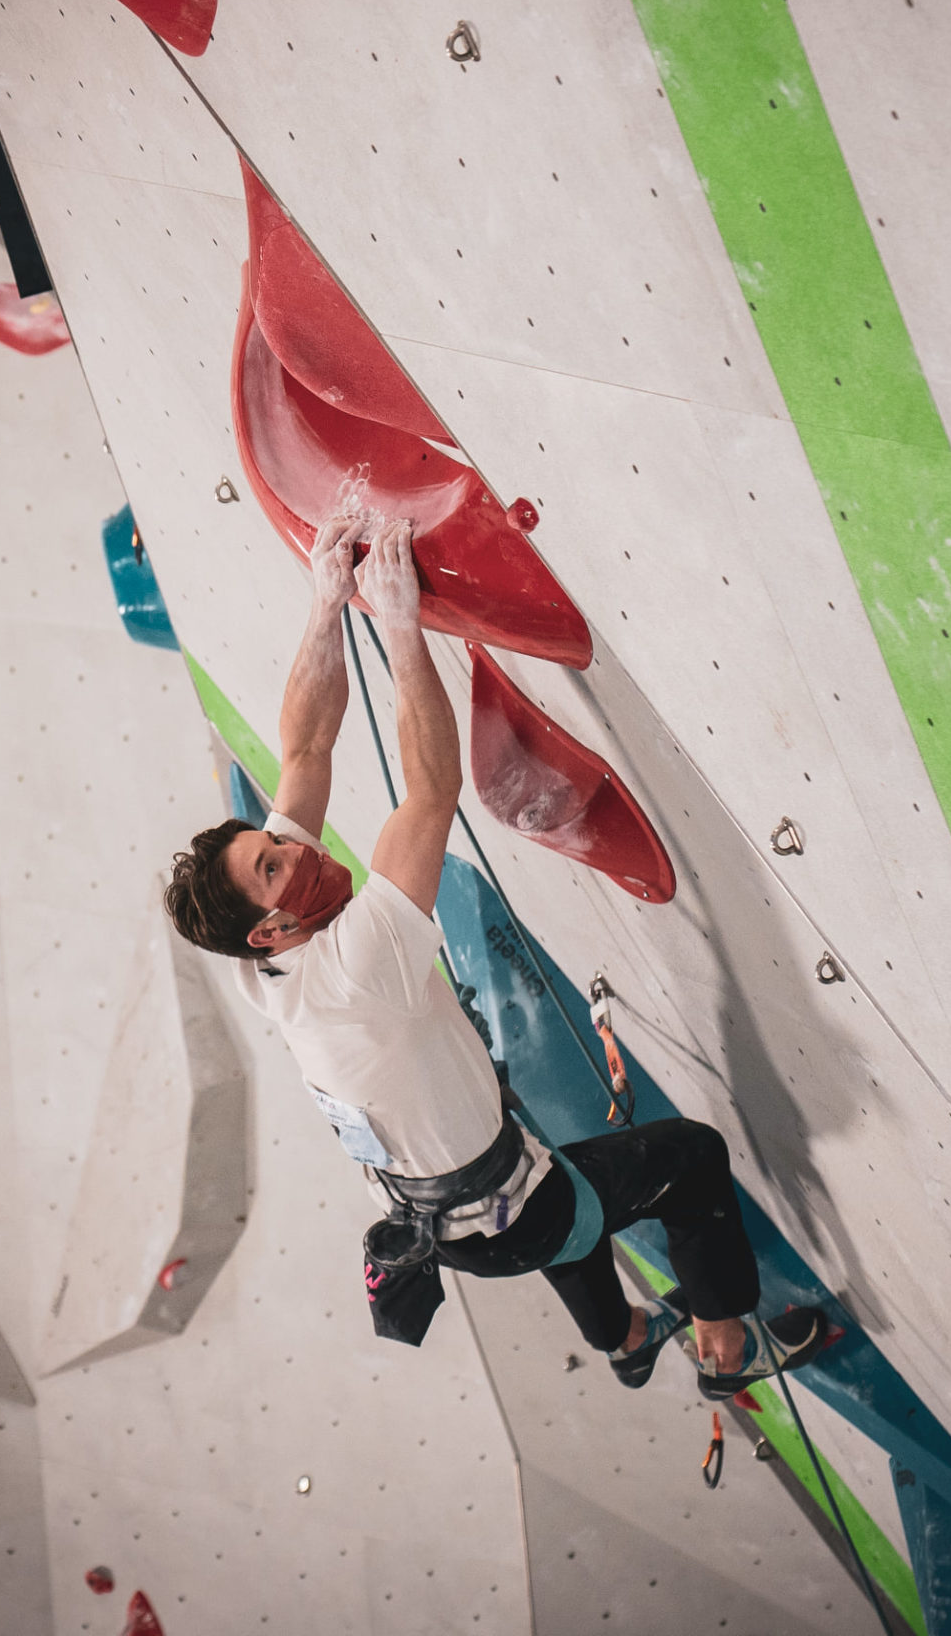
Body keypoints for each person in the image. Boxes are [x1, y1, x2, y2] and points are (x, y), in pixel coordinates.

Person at [164, 514, 825, 1395]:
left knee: (545, 1194)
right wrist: (400, 627)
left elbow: (305, 750)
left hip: (447, 1208)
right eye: (276, 863)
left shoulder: (263, 964)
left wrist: (326, 608)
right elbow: (432, 793)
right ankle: (727, 1351)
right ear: (267, 926)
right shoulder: (353, 967)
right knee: (688, 1161)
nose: (299, 845)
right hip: (506, 1212)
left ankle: (626, 1340)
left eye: (271, 844)